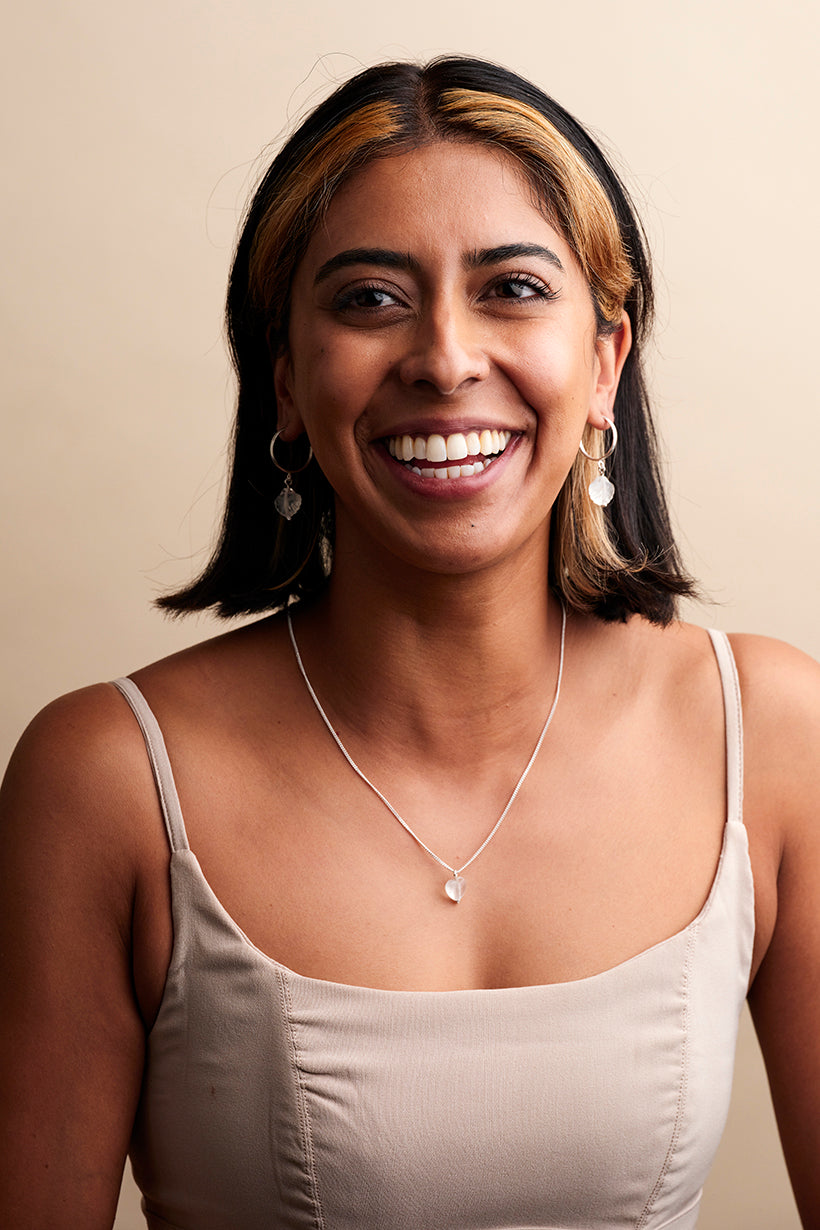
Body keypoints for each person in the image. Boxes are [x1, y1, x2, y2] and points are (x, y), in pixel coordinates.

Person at [1, 55, 818, 1230]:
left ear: (604, 362)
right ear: (286, 381)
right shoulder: (108, 780)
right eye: (370, 300)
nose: (443, 358)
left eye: (512, 289)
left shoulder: (772, 737)